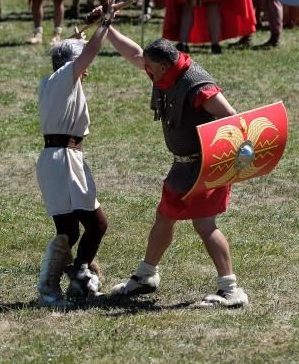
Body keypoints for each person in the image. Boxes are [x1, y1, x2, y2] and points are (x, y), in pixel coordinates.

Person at [106, 34, 249, 307]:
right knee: (164, 218)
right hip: (182, 167)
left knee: (204, 225)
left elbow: (231, 118)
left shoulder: (197, 86)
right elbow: (136, 55)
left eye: (149, 66)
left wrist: (225, 164)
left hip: (205, 166)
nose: (144, 68)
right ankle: (146, 275)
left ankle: (231, 290)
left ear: (160, 67)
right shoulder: (166, 72)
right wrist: (108, 27)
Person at [35, 0, 116, 307]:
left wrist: (78, 39)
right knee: (96, 224)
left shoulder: (54, 82)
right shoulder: (64, 79)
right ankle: (69, 276)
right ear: (73, 65)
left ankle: (68, 280)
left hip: (60, 160)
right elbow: (89, 55)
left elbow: (80, 55)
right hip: (63, 161)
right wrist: (106, 21)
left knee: (69, 230)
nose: (88, 71)